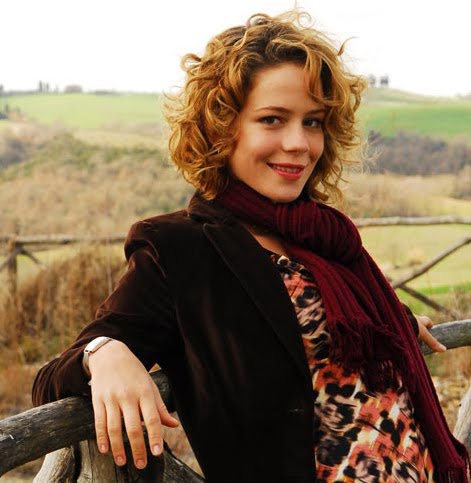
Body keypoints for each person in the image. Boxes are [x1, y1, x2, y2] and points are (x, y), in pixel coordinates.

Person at [32, 10, 469, 483]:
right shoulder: (180, 249)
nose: (299, 143)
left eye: (313, 122)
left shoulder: (325, 235)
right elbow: (50, 380)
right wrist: (103, 353)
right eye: (272, 119)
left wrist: (391, 323)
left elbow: (331, 335)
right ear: (222, 128)